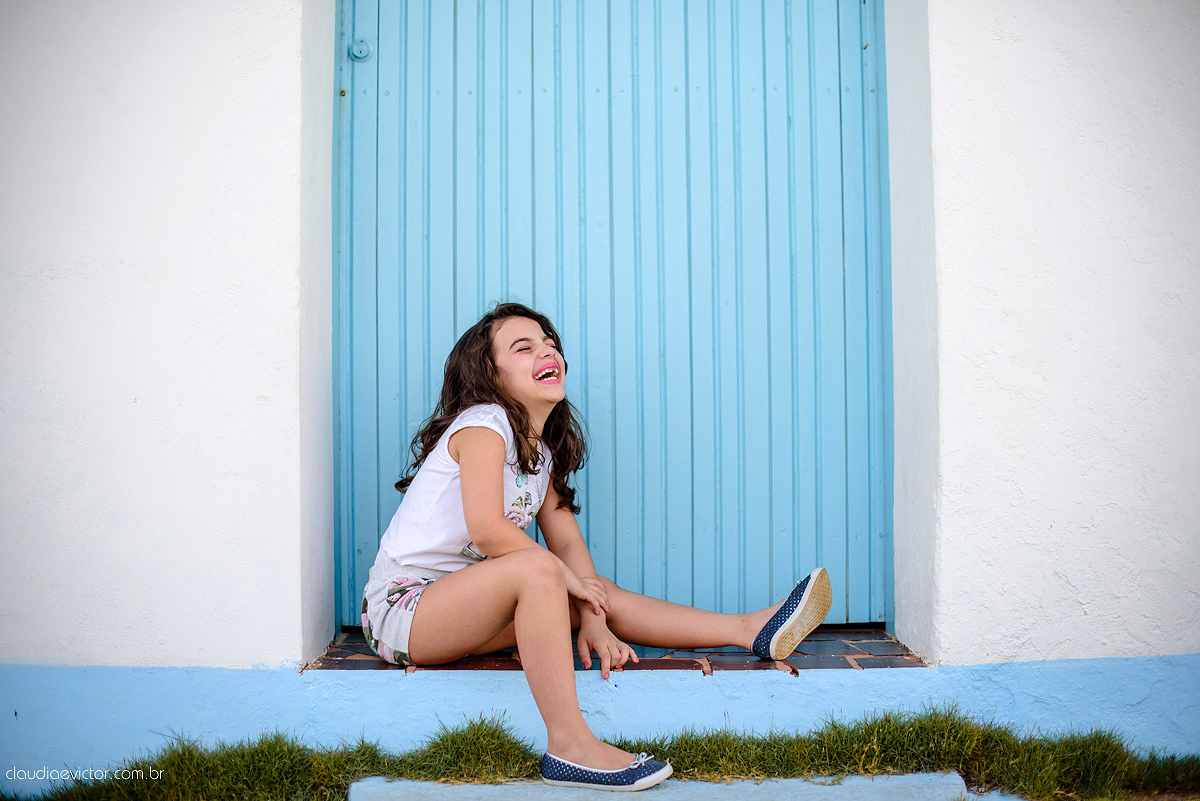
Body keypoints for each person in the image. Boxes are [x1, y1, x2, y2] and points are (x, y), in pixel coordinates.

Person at [361, 301, 832, 792]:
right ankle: (569, 746)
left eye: (550, 342)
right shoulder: (483, 423)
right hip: (404, 610)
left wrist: (593, 615)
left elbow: (566, 540)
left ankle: (750, 629)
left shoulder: (538, 452)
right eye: (524, 347)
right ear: (488, 374)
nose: (548, 351)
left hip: (463, 608)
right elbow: (487, 529)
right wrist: (564, 581)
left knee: (593, 587)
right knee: (538, 571)